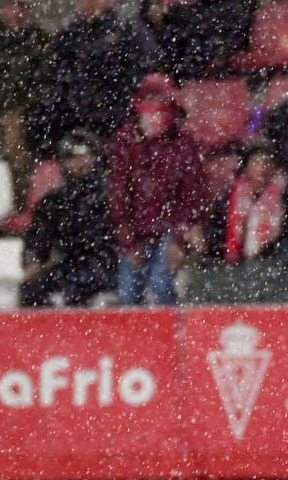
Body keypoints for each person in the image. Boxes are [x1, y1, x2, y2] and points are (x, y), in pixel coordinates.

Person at [107, 75, 209, 307]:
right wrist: (129, 242)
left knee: (161, 286)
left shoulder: (184, 144)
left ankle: (167, 339)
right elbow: (118, 195)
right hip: (136, 230)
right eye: (149, 99)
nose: (155, 108)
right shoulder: (125, 141)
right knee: (128, 294)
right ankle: (131, 342)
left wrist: (180, 237)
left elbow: (193, 195)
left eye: (160, 99)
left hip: (169, 228)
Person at [31, 0, 157, 153]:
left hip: (121, 130)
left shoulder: (129, 33)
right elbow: (54, 87)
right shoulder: (69, 37)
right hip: (78, 132)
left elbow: (144, 82)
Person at [20, 131, 117, 309]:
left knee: (88, 288)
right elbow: (37, 237)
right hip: (67, 265)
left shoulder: (110, 196)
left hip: (104, 265)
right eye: (72, 158)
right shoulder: (54, 200)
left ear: (94, 158)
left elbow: (116, 239)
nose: (79, 164)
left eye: (84, 157)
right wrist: (32, 260)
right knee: (32, 290)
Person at [0, 0, 51, 191]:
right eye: (12, 6)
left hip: (27, 115)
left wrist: (25, 112)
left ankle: (20, 193)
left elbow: (44, 85)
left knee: (16, 135)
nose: (17, 11)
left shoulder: (40, 41)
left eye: (21, 6)